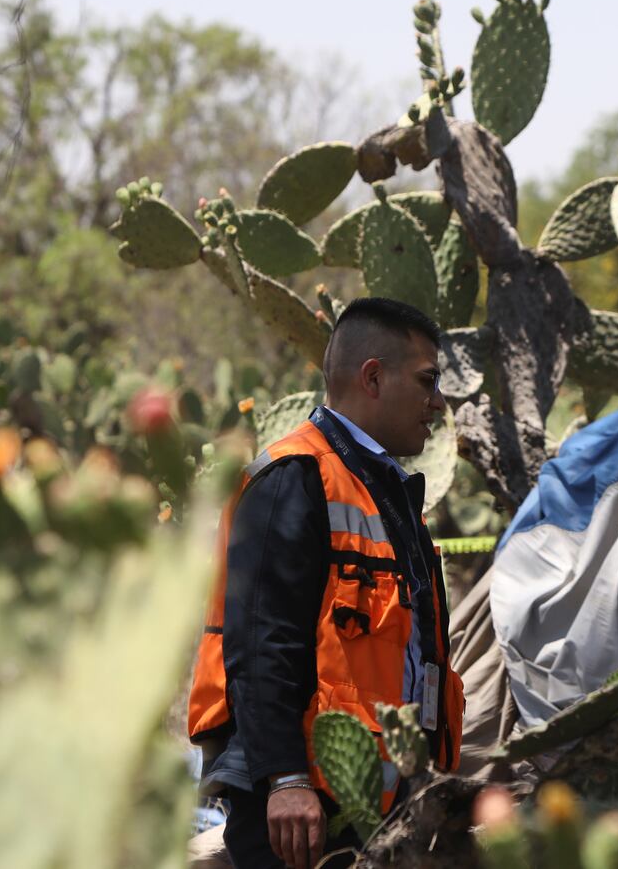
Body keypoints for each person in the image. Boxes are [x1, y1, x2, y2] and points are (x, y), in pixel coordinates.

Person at [186, 297, 465, 869]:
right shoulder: (294, 477)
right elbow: (262, 644)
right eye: (427, 380)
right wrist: (286, 779)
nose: (438, 402)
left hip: (379, 805)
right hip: (303, 813)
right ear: (372, 377)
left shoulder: (385, 489)